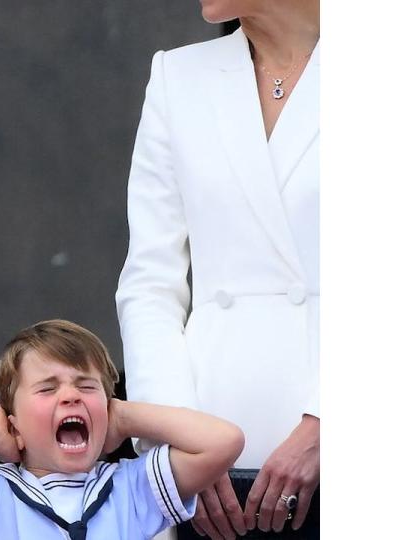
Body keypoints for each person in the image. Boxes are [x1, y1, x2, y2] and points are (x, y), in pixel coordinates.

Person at [115, 1, 320, 538]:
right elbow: (149, 283)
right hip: (214, 471)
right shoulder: (177, 77)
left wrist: (333, 422)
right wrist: (176, 442)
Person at [0, 320, 244, 539]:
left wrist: (125, 418)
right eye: (47, 389)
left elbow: (223, 442)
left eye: (87, 386)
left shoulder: (133, 488)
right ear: (13, 423)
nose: (70, 397)